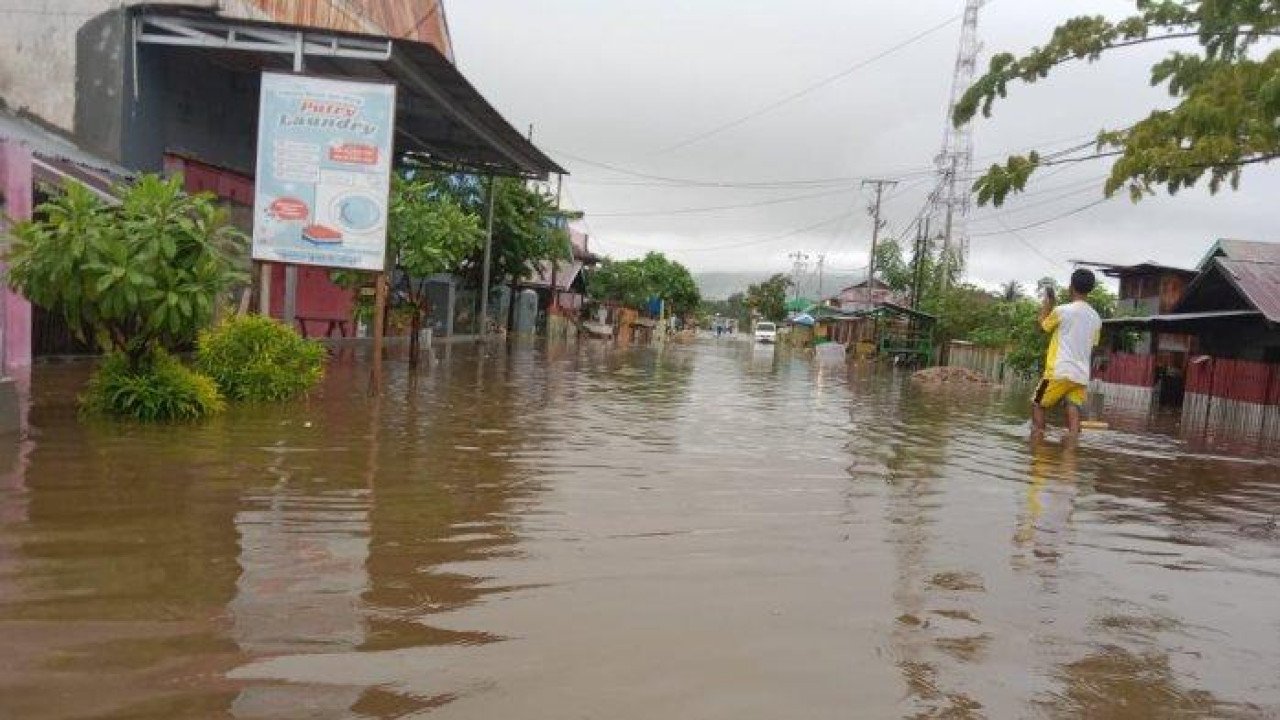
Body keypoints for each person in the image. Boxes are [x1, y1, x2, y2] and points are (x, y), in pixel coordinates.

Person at [1032, 269, 1102, 436]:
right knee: (1073, 407)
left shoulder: (1062, 311)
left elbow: (1043, 327)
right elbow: (1093, 345)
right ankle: (1071, 452)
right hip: (1081, 375)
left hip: (1058, 371)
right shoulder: (1096, 318)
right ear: (1090, 289)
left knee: (1037, 403)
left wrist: (1047, 305)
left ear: (1071, 287)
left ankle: (1038, 446)